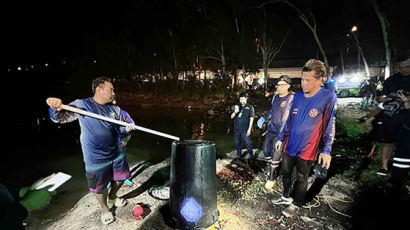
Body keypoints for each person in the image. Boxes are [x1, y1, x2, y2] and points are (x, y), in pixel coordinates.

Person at [46, 77, 136, 225]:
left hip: (117, 153)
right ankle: (105, 209)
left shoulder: (116, 109)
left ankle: (113, 197)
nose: (114, 93)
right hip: (95, 158)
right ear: (99, 90)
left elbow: (122, 130)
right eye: (111, 89)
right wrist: (54, 106)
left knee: (121, 178)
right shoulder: (82, 105)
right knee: (98, 187)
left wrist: (126, 129)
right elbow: (59, 119)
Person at [272, 59, 337, 217]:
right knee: (286, 172)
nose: (303, 83)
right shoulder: (298, 97)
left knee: (302, 176)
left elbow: (330, 124)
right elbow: (289, 121)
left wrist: (327, 150)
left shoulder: (328, 97)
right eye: (302, 79)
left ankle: (297, 203)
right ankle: (286, 196)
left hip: (309, 147)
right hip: (290, 144)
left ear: (320, 79)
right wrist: (281, 138)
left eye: (308, 80)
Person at [374, 55, 410, 175]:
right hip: (391, 117)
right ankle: (384, 167)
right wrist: (381, 99)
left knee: (405, 144)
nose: (404, 70)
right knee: (388, 142)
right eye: (401, 67)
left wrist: (407, 100)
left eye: (407, 66)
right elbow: (381, 97)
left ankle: (403, 171)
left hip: (407, 118)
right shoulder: (392, 80)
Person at [262, 75, 294, 190]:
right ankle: (273, 168)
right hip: (271, 129)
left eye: (282, 85)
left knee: (276, 153)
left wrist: (282, 137)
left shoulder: (291, 99)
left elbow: (287, 118)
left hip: (282, 131)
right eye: (278, 85)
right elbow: (272, 111)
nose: (279, 87)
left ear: (288, 86)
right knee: (266, 150)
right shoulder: (275, 98)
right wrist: (264, 118)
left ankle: (271, 178)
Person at [231, 92, 255, 159]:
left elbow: (252, 118)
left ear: (246, 99)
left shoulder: (250, 107)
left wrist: (249, 129)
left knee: (248, 143)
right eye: (240, 99)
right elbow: (231, 117)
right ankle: (239, 155)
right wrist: (235, 111)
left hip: (245, 129)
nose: (241, 101)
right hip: (236, 128)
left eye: (243, 99)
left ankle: (251, 155)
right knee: (237, 143)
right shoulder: (237, 107)